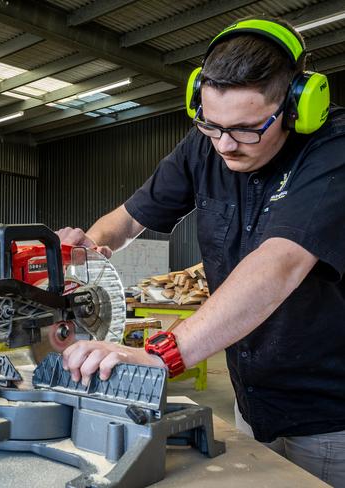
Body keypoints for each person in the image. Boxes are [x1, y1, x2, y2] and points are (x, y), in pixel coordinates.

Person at [59, 17, 345, 486]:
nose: (225, 145)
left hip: (331, 414)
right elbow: (130, 217)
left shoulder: (333, 150)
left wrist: (162, 356)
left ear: (298, 106)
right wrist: (88, 253)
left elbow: (279, 265)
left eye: (247, 129)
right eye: (212, 126)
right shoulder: (206, 143)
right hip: (252, 397)